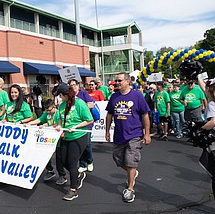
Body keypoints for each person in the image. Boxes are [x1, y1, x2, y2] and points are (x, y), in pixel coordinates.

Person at [105, 72, 151, 203]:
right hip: (119, 135)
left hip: (134, 134)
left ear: (127, 82)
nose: (117, 83)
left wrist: (146, 133)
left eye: (119, 81)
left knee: (131, 161)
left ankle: (130, 189)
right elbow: (109, 114)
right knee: (118, 159)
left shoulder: (137, 96)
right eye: (116, 81)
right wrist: (107, 131)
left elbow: (145, 115)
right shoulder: (114, 97)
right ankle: (133, 172)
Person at [55, 84, 94, 201]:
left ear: (67, 94)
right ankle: (77, 175)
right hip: (66, 136)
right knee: (63, 161)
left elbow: (89, 119)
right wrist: (59, 126)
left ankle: (73, 189)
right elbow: (61, 120)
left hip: (78, 136)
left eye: (61, 95)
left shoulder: (80, 103)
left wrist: (76, 127)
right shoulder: (62, 106)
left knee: (72, 162)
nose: (60, 98)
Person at [198, 76, 215, 214]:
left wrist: (201, 128)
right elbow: (205, 89)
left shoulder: (214, 104)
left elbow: (214, 122)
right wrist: (199, 76)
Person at [27, 99, 67, 185]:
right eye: (46, 110)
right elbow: (39, 120)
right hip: (48, 139)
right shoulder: (47, 114)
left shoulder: (58, 114)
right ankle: (50, 171)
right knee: (44, 155)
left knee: (59, 159)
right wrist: (29, 124)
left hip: (59, 140)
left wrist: (46, 126)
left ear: (54, 107)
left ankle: (62, 176)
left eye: (49, 110)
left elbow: (57, 125)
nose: (48, 112)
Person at [68, 79, 94, 173]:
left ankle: (90, 161)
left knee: (87, 144)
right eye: (71, 86)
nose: (73, 87)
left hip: (86, 123)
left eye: (74, 85)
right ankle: (82, 164)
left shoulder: (83, 94)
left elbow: (91, 104)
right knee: (79, 145)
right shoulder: (69, 96)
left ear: (78, 85)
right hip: (75, 124)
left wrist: (80, 108)